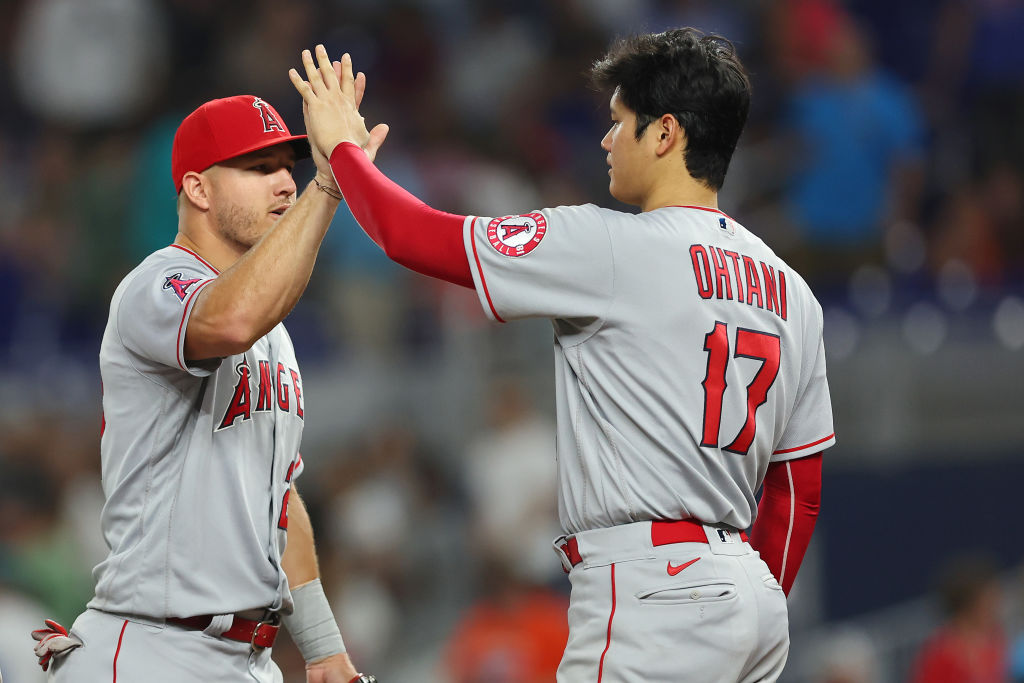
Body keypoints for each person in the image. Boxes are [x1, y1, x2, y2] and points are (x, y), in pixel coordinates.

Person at [292, 30, 833, 682]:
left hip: (652, 587)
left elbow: (411, 235)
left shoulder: (608, 244)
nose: (606, 140)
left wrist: (343, 150)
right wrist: (761, 597)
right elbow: (795, 492)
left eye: (619, 122)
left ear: (665, 134)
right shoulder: (791, 291)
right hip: (750, 597)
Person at [28, 93, 377, 683]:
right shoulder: (157, 284)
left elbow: (280, 501)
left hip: (248, 658)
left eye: (290, 168)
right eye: (259, 168)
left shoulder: (279, 335)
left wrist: (321, 648)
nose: (285, 185)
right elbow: (229, 320)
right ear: (198, 190)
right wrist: (329, 184)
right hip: (152, 647)